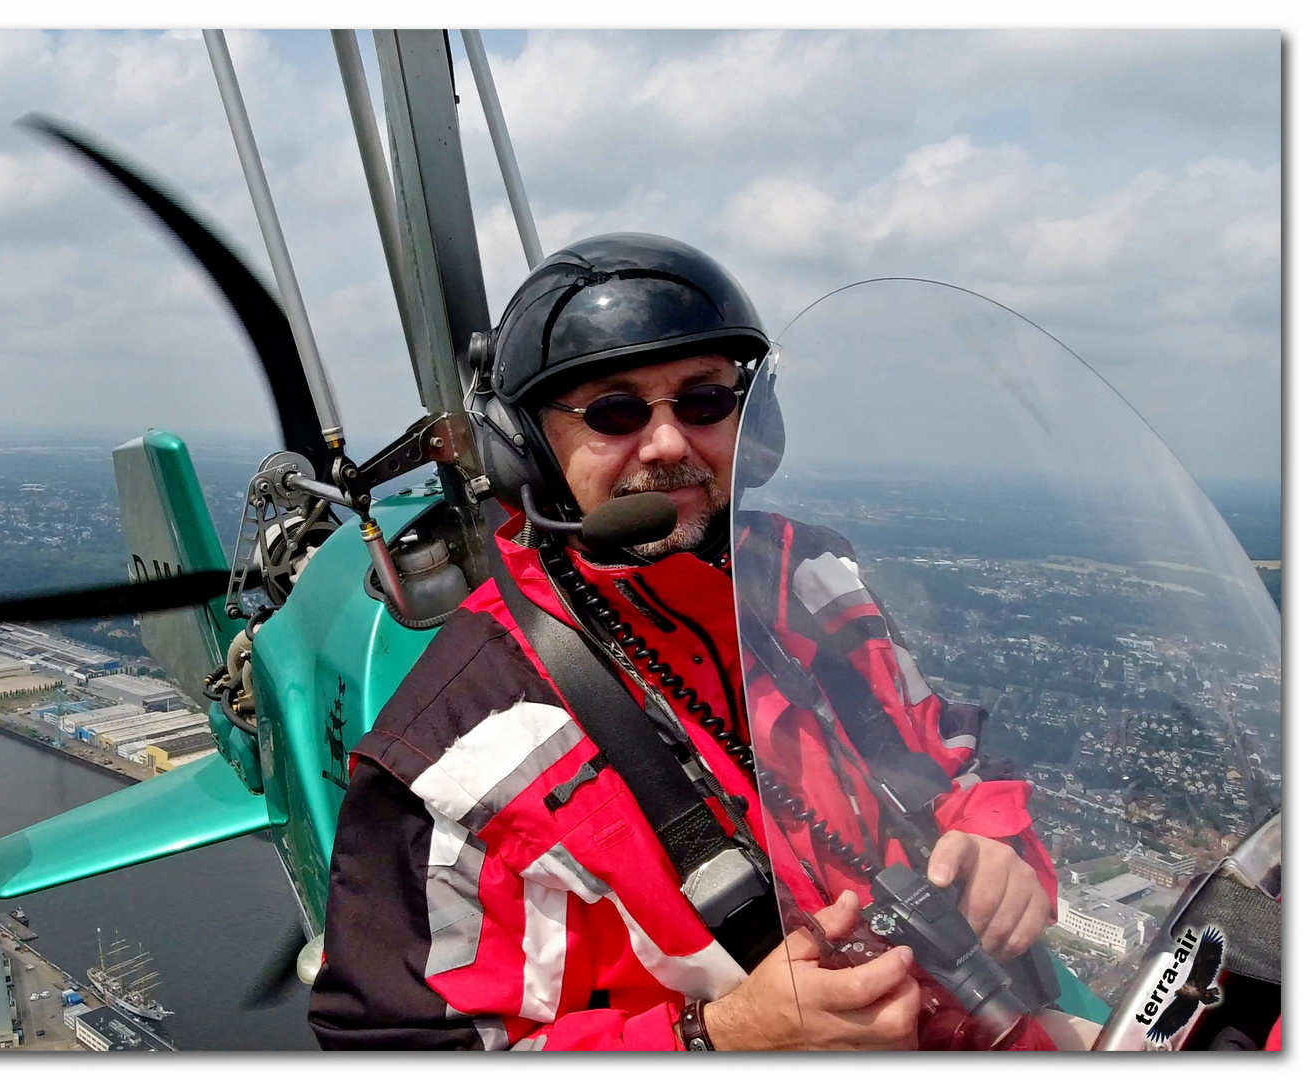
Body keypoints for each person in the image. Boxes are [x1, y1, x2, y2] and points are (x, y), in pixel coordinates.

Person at [307, 234, 1059, 1050]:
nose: (667, 444)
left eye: (703, 401)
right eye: (614, 412)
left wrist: (995, 840)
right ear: (525, 448)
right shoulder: (453, 750)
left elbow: (947, 752)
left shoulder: (813, 580)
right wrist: (717, 1041)